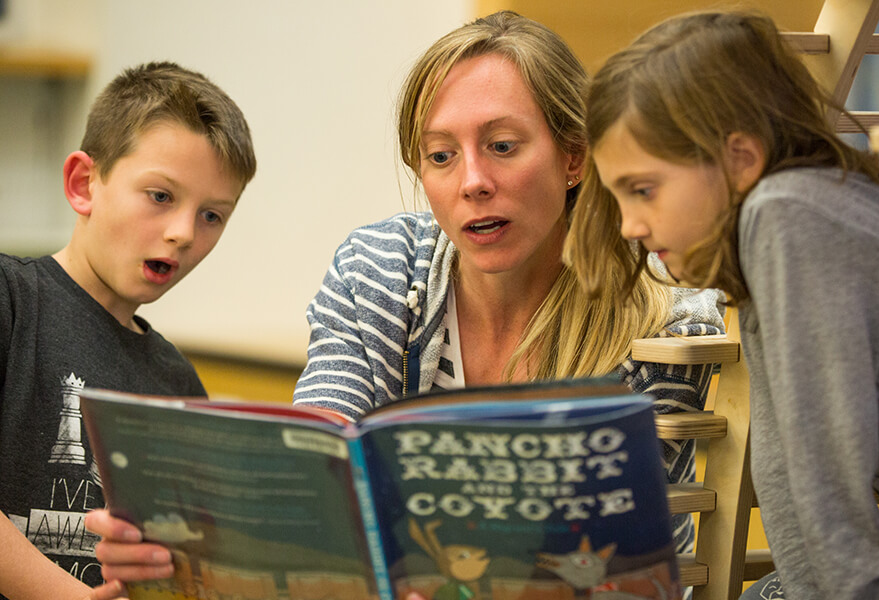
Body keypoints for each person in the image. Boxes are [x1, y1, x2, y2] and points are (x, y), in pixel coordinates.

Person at [87, 10, 724, 596]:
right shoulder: (381, 271)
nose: (472, 181)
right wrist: (179, 548)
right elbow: (319, 463)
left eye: (502, 146)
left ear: (574, 156)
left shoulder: (666, 323)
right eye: (441, 156)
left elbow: (630, 569)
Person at [565, 10, 879, 600]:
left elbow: (826, 476)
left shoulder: (790, 216)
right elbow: (785, 470)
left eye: (644, 190)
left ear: (739, 160)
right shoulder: (765, 245)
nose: (630, 225)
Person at [0, 61, 256, 600]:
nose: (183, 232)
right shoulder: (11, 299)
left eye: (213, 215)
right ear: (82, 184)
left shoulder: (178, 382)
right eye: (160, 196)